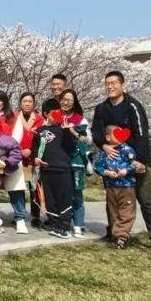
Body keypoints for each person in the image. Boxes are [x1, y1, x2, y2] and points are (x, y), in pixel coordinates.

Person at [91, 71, 151, 255]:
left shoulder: (133, 106)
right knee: (113, 200)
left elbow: (142, 134)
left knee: (146, 199)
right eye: (107, 83)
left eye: (114, 83)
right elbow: (96, 132)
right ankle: (115, 234)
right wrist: (104, 146)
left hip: (133, 161)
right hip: (112, 161)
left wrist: (140, 160)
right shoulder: (101, 108)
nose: (110, 86)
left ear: (123, 85)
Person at [32, 99, 76, 239]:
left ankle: (65, 227)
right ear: (45, 114)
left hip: (63, 169)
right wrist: (35, 158)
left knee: (64, 198)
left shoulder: (64, 130)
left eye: (59, 113)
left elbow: (71, 148)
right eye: (53, 113)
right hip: (46, 170)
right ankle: (54, 224)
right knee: (50, 199)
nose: (57, 115)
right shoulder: (39, 131)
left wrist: (68, 131)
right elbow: (35, 148)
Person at [0, 90, 29, 234]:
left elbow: (17, 137)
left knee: (15, 189)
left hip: (11, 156)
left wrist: (6, 155)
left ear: (5, 101)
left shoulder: (14, 116)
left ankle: (20, 219)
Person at [94, 125, 137, 249]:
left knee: (127, 211)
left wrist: (126, 170)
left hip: (127, 185)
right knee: (113, 212)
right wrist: (106, 172)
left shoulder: (127, 149)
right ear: (108, 137)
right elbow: (97, 166)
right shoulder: (103, 152)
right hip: (111, 186)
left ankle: (121, 237)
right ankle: (114, 235)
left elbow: (134, 164)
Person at [58, 89, 92, 238]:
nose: (66, 102)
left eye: (69, 100)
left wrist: (75, 133)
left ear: (74, 102)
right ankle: (62, 222)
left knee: (76, 193)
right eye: (63, 99)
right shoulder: (54, 117)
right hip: (59, 160)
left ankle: (78, 224)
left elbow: (88, 140)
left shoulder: (80, 119)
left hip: (75, 161)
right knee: (61, 193)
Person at [16, 92, 45, 229]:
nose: (27, 103)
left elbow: (42, 139)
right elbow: (12, 136)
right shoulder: (15, 118)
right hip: (17, 157)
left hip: (34, 159)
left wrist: (31, 151)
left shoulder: (40, 119)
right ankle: (20, 214)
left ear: (34, 103)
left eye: (30, 101)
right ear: (20, 103)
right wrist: (20, 150)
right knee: (18, 187)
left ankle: (35, 216)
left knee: (34, 188)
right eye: (24, 101)